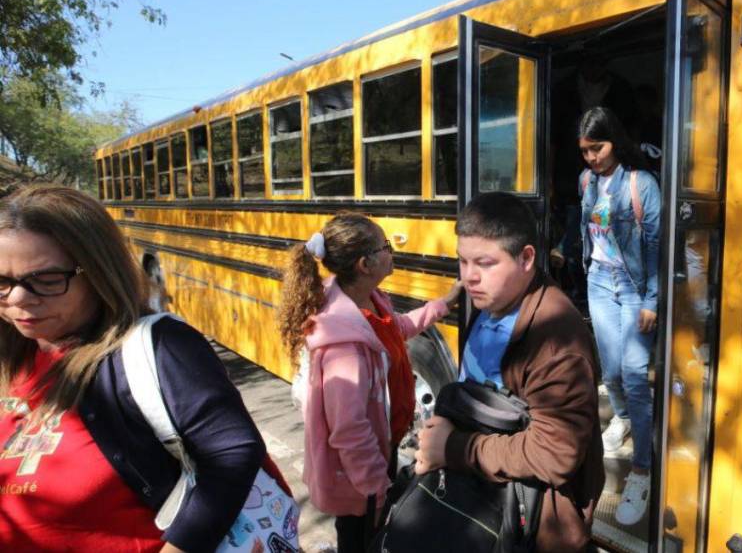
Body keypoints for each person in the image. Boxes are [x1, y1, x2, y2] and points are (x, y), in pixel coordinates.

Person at [0, 185, 266, 552]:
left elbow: (233, 451)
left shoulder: (158, 348)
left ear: (97, 272)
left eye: (45, 280)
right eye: (2, 282)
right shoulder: (14, 355)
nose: (17, 299)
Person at [414, 192, 605, 552]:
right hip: (482, 507)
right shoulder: (493, 301)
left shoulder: (556, 342)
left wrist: (453, 448)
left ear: (526, 258)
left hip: (534, 528)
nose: (469, 278)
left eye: (484, 263)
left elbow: (555, 453)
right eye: (463, 262)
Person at [277, 211, 460, 553]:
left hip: (380, 451)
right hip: (360, 477)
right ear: (365, 263)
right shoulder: (344, 344)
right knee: (360, 540)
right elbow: (349, 430)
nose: (392, 251)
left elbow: (399, 327)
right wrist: (377, 487)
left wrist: (442, 305)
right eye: (385, 246)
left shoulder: (370, 305)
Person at [577, 106, 661, 525]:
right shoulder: (586, 181)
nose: (592, 157)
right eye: (585, 151)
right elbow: (589, 231)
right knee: (608, 371)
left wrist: (652, 299)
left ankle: (641, 470)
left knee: (633, 375)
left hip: (632, 288)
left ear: (616, 140)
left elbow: (656, 246)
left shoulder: (640, 183)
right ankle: (624, 420)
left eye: (598, 147)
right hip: (598, 282)